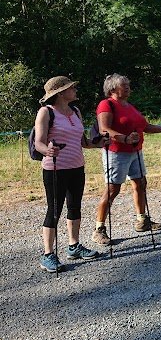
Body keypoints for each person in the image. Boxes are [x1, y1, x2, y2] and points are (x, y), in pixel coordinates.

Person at [92, 73, 161, 246]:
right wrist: (124, 138)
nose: (128, 87)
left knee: (140, 183)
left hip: (135, 151)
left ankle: (142, 220)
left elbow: (145, 126)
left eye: (128, 84)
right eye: (124, 85)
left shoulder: (129, 106)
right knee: (113, 189)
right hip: (116, 152)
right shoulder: (107, 104)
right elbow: (104, 129)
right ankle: (99, 228)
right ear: (112, 88)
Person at [34, 77, 102, 272]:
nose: (75, 89)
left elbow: (83, 142)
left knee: (74, 206)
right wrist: (47, 150)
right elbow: (39, 142)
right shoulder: (46, 112)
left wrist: (99, 142)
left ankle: (74, 246)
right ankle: (47, 254)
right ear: (61, 93)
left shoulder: (76, 112)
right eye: (72, 87)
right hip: (55, 168)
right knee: (54, 210)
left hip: (76, 166)